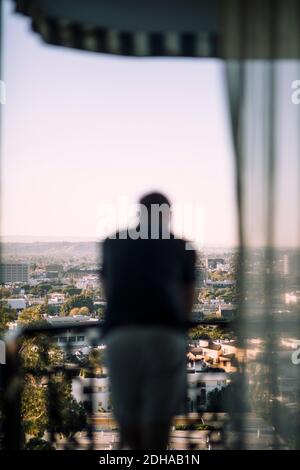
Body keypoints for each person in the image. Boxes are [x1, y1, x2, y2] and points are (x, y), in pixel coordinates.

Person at [101, 192, 196, 449]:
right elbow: (187, 299)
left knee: (128, 421)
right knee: (158, 424)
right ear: (167, 216)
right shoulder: (182, 247)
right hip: (165, 334)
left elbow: (109, 291)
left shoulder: (112, 242)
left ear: (139, 214)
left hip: (122, 334)